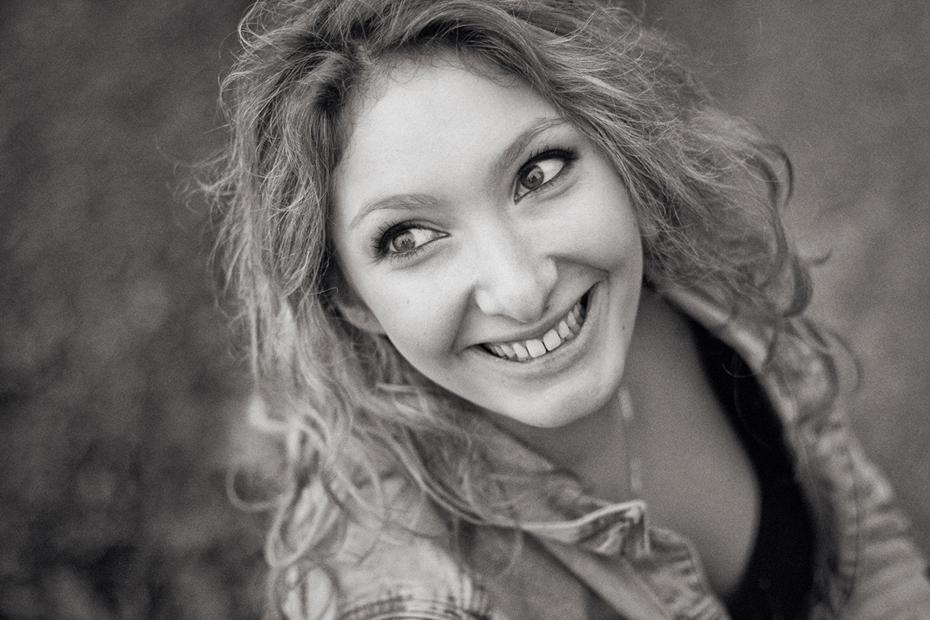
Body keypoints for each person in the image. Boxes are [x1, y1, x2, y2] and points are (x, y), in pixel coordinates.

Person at [208, 0, 930, 617]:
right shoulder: (409, 597)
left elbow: (862, 544)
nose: (521, 290)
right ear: (350, 298)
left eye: (538, 172)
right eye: (410, 238)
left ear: (621, 151)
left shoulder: (696, 282)